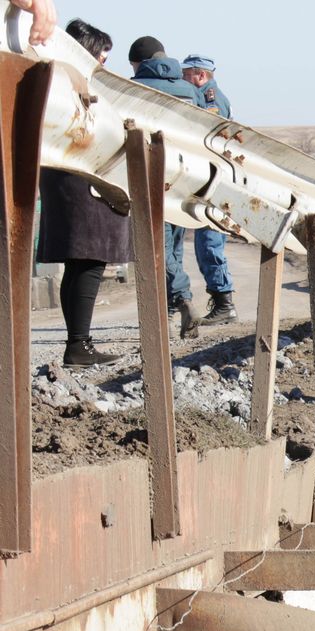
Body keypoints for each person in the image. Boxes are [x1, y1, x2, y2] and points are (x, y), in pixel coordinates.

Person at [36, 18, 128, 368]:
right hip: (80, 177)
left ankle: (79, 343)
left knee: (81, 261)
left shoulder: (55, 78)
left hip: (68, 174)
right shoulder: (68, 83)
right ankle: (79, 345)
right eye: (101, 56)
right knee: (88, 257)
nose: (103, 63)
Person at [129, 37, 204, 323]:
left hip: (151, 174)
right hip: (184, 174)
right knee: (173, 242)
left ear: (139, 62)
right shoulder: (188, 89)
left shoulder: (135, 88)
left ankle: (181, 297)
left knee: (155, 243)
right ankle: (172, 302)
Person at [182, 55, 237, 325]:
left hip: (214, 183)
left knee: (210, 244)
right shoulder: (207, 95)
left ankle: (225, 301)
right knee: (206, 245)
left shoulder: (211, 100)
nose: (182, 80)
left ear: (200, 76)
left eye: (186, 74)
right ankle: (223, 302)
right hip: (212, 181)